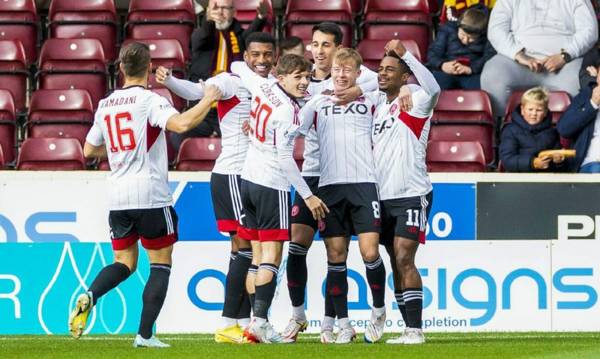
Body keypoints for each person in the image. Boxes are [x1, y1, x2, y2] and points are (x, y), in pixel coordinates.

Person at [68, 42, 223, 348]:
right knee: (160, 264)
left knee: (124, 262)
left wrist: (117, 149)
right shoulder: (150, 100)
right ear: (149, 68)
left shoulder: (106, 104)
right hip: (151, 195)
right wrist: (209, 99)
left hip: (118, 197)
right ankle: (145, 335)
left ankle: (91, 295)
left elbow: (88, 150)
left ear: (121, 68)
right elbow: (181, 124)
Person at [155, 32, 277, 343]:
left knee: (245, 251)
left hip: (256, 176)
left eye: (267, 54)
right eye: (256, 55)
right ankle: (236, 323)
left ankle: (242, 324)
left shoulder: (272, 85)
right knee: (246, 248)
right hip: (234, 174)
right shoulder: (231, 80)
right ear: (246, 57)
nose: (262, 60)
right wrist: (171, 82)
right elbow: (202, 91)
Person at [280, 22, 379, 344]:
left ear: (339, 51)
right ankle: (298, 315)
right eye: (316, 44)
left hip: (344, 176)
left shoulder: (360, 81)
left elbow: (392, 82)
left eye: (326, 45)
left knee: (339, 252)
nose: (319, 50)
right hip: (310, 175)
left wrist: (360, 90)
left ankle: (331, 321)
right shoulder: (304, 83)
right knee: (298, 246)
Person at [231, 54, 329, 344]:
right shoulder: (287, 110)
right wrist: (309, 196)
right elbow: (285, 159)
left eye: (306, 76)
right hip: (270, 186)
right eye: (297, 76)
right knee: (271, 259)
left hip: (247, 180)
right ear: (282, 77)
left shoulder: (262, 86)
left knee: (256, 259)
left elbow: (237, 66)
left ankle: (254, 324)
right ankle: (260, 322)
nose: (303, 82)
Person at [171, 0, 269, 148]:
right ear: (208, 11)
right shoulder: (201, 34)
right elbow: (204, 35)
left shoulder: (239, 36)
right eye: (216, 8)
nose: (220, 12)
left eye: (224, 8)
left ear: (234, 12)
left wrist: (261, 17)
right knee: (178, 136)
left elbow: (251, 37)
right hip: (204, 107)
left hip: (233, 109)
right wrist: (210, 21)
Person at [481, 0, 598, 118]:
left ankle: (569, 133)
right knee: (492, 75)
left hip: (565, 63)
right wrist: (518, 54)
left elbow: (589, 31)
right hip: (519, 61)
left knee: (579, 83)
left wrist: (565, 56)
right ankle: (501, 128)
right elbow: (495, 30)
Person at [500, 87, 566, 172]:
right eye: (530, 109)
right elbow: (507, 160)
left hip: (545, 180)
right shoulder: (510, 130)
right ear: (522, 110)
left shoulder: (552, 132)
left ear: (545, 112)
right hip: (518, 179)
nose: (534, 114)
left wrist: (558, 162)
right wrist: (532, 163)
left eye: (539, 110)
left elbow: (559, 167)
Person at [427, 7, 495, 90]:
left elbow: (489, 57)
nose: (466, 40)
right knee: (436, 87)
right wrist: (442, 65)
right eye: (462, 35)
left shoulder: (488, 35)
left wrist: (471, 69)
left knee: (482, 89)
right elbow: (433, 53)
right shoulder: (447, 29)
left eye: (471, 38)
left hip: (473, 72)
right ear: (458, 26)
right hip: (447, 69)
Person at [557, 67, 600, 173]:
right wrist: (593, 104)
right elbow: (564, 129)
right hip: (593, 163)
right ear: (597, 77)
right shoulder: (586, 95)